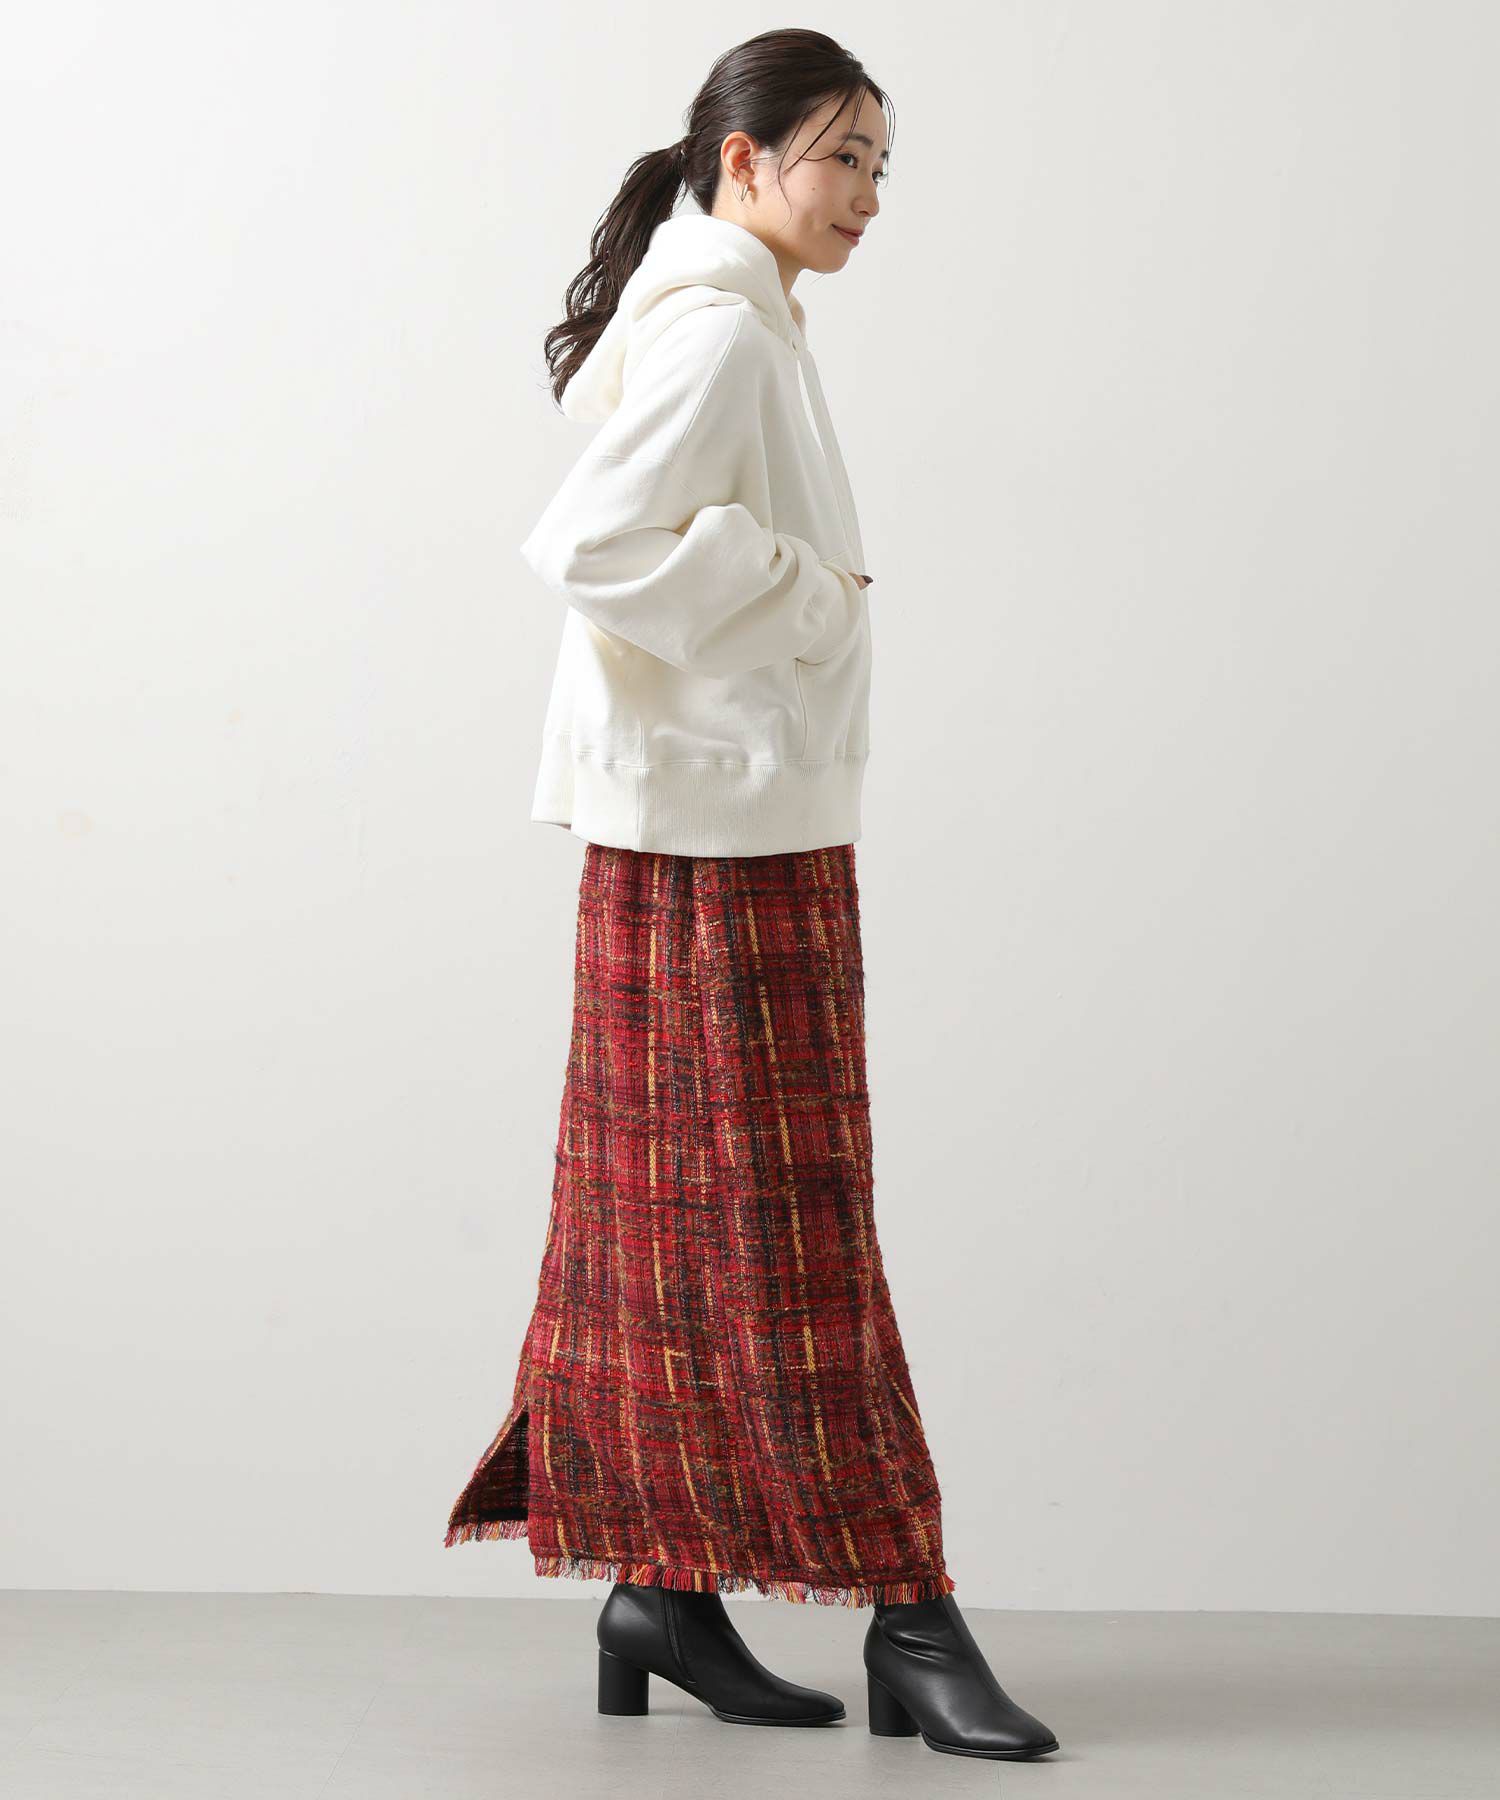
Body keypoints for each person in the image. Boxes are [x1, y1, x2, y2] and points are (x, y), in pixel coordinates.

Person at [444, 29, 1060, 1763]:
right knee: (788, 1228)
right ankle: (910, 1615)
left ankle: (661, 1589)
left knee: (665, 1227)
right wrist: (808, 589)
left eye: (880, 166)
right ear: (742, 159)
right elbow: (590, 547)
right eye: (839, 157)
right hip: (724, 844)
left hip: (707, 827)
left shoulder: (735, 314)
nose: (866, 195)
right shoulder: (722, 327)